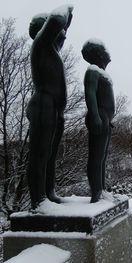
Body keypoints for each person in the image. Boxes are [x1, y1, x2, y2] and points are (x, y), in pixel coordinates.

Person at [26, 5, 73, 209]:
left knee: (51, 155)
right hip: (43, 104)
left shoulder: (51, 49)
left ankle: (48, 192)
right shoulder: (41, 43)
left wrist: (70, 16)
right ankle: (38, 200)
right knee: (40, 153)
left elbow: (62, 27)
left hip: (55, 108)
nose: (62, 36)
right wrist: (67, 8)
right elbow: (57, 19)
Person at [82, 39, 115, 203]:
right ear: (100, 54)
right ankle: (96, 192)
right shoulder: (92, 71)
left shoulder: (101, 73)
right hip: (99, 116)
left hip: (105, 119)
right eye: (105, 49)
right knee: (96, 156)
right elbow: (90, 93)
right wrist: (94, 115)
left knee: (102, 157)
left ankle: (101, 190)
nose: (108, 52)